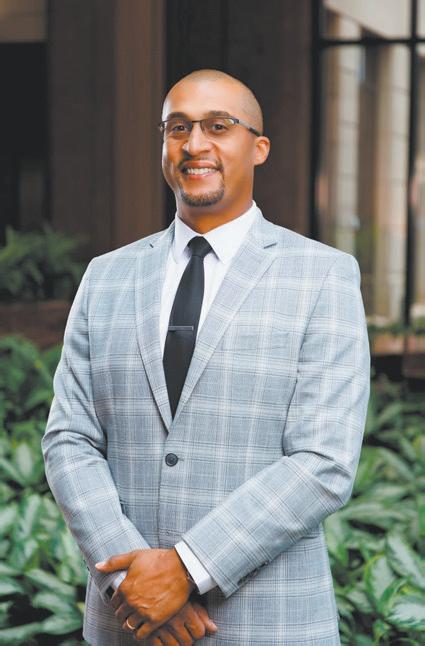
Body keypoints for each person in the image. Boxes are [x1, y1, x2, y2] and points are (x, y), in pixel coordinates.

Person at [42, 69, 370, 646]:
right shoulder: (106, 277)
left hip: (269, 624)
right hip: (128, 623)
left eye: (219, 126)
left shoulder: (323, 276)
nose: (195, 144)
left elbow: (323, 461)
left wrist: (186, 568)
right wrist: (131, 577)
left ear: (259, 147)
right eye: (178, 128)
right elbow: (69, 438)